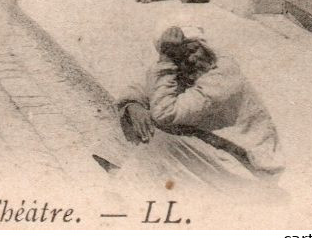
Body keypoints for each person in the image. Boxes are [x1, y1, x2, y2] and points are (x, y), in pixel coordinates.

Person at [114, 23, 283, 188]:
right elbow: (143, 86)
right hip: (219, 152)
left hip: (250, 167)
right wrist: (133, 105)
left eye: (193, 50)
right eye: (180, 56)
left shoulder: (222, 72)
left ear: (203, 45)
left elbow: (164, 113)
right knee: (141, 120)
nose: (191, 59)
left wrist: (166, 60)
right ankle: (136, 181)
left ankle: (130, 185)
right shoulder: (181, 67)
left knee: (161, 137)